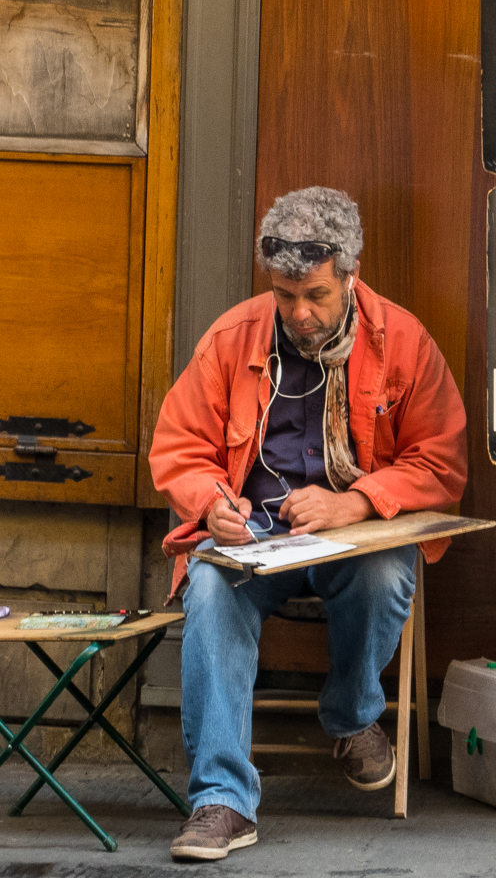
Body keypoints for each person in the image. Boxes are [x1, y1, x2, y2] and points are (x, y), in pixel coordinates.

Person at [149, 187, 467, 860]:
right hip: (253, 536)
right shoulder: (233, 337)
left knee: (387, 572)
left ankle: (351, 716)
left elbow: (441, 462)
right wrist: (212, 503)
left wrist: (357, 500)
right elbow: (178, 447)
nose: (299, 314)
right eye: (285, 295)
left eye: (316, 296)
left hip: (354, 536)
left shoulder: (401, 341)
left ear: (351, 273)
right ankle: (222, 802)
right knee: (208, 586)